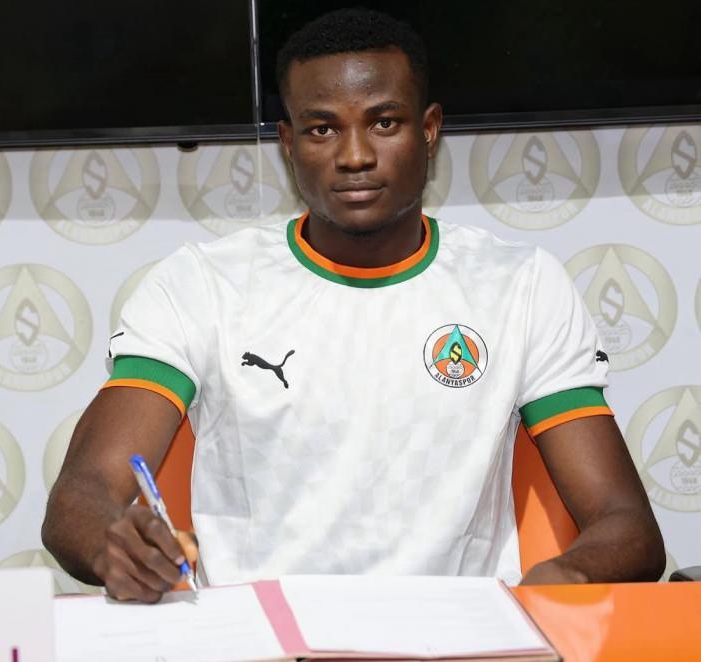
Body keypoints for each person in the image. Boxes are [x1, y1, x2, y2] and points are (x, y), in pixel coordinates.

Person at [42, 8, 665, 603]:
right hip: (264, 640)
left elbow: (626, 525)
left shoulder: (521, 286)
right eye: (322, 129)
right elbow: (82, 495)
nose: (355, 155)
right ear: (288, 143)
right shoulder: (201, 284)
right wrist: (113, 544)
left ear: (429, 130)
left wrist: (568, 576)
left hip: (457, 642)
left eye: (384, 123)